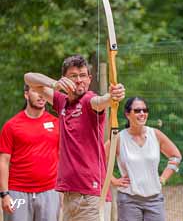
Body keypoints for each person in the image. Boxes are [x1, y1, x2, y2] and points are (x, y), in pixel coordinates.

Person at [24, 54, 125, 221]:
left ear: (89, 78)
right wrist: (54, 84)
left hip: (92, 196)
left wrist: (112, 96)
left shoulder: (89, 100)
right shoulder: (62, 101)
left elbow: (102, 101)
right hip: (70, 195)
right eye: (73, 76)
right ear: (65, 79)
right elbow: (29, 78)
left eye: (83, 75)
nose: (79, 80)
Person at [105, 96, 182, 221]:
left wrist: (163, 178)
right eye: (137, 110)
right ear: (127, 114)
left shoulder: (155, 134)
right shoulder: (119, 138)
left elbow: (176, 157)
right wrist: (113, 180)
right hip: (128, 200)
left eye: (145, 110)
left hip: (155, 200)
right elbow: (98, 161)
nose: (142, 113)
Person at [0, 84, 60, 221]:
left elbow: (62, 158)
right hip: (17, 192)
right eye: (36, 91)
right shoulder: (11, 126)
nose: (41, 95)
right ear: (26, 95)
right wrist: (4, 194)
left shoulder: (56, 123)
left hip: (50, 191)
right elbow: (3, 161)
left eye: (43, 91)